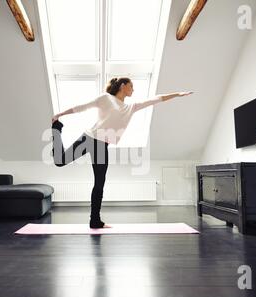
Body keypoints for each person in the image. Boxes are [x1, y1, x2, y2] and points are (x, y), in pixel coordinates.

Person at [51, 77, 193, 229]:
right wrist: (59, 114)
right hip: (89, 138)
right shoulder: (106, 98)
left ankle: (95, 221)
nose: (133, 89)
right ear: (123, 86)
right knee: (59, 161)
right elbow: (82, 107)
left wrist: (177, 94)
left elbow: (156, 99)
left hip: (102, 146)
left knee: (99, 184)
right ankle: (56, 129)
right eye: (132, 86)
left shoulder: (130, 107)